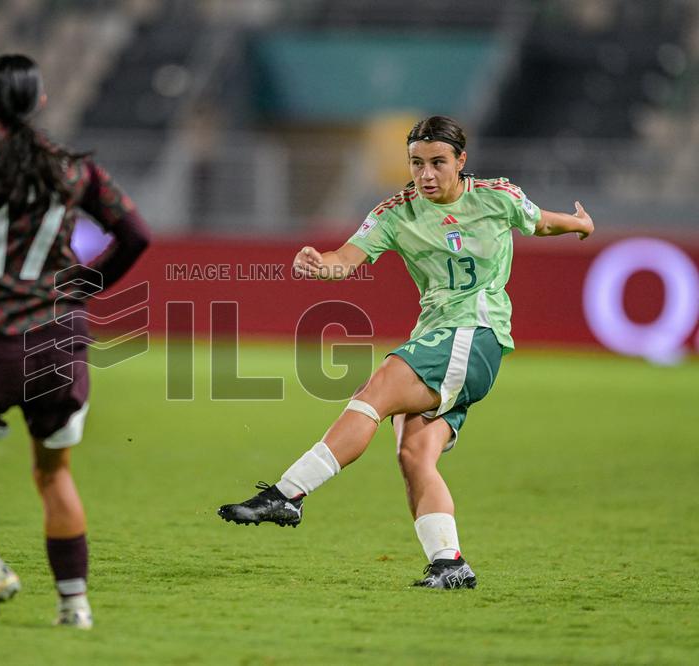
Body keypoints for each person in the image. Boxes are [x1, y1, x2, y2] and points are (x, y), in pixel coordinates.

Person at [217, 116, 593, 589]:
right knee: (414, 453)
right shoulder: (396, 213)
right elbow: (344, 261)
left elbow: (539, 222)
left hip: (475, 334)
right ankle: (449, 562)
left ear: (461, 161)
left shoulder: (497, 196)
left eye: (438, 162)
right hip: (439, 338)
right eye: (417, 163)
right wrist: (320, 265)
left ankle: (287, 493)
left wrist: (577, 223)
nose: (427, 174)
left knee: (375, 390)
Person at [0, 54, 150, 625]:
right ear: (40, 102)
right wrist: (79, 290)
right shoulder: (72, 170)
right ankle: (75, 606)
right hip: (56, 341)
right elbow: (135, 234)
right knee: (53, 472)